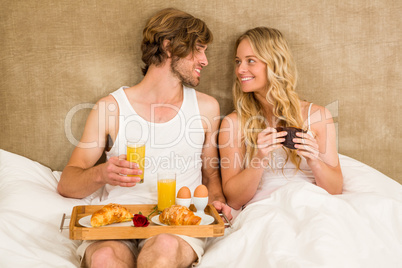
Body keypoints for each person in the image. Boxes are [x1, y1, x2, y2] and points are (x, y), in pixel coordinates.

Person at [58, 8, 231, 268]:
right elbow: (67, 183)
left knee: (164, 247)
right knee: (104, 258)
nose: (205, 60)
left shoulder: (206, 108)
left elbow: (211, 177)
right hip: (119, 222)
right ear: (168, 46)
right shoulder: (110, 108)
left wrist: (216, 201)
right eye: (199, 49)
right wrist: (101, 174)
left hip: (175, 225)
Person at [218, 27, 343, 211]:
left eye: (250, 61)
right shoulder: (234, 123)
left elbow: (335, 189)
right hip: (266, 210)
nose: (240, 69)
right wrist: (258, 159)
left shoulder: (317, 116)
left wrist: (314, 161)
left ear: (274, 63)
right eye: (238, 61)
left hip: (312, 205)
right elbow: (234, 201)